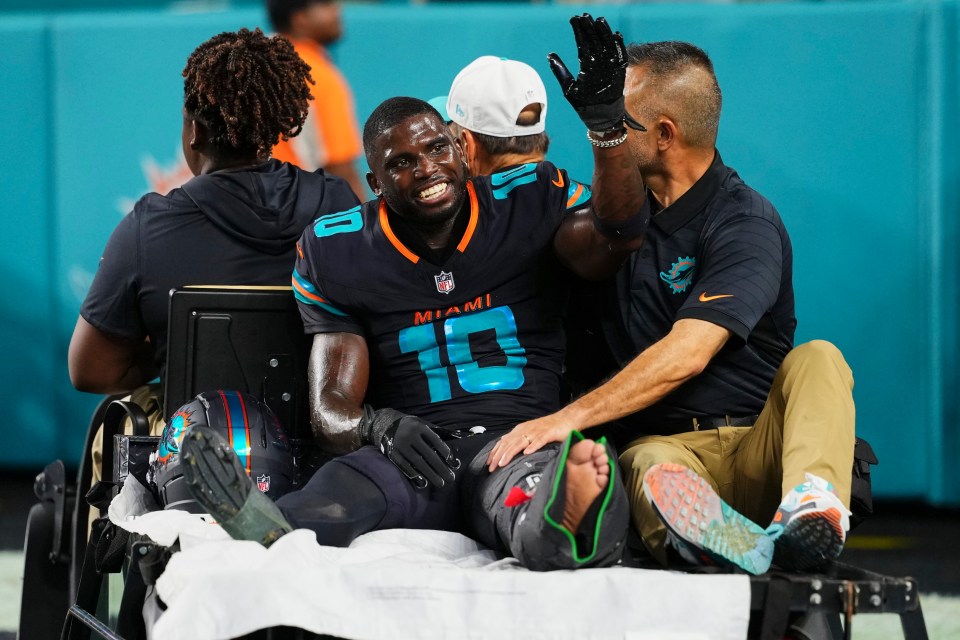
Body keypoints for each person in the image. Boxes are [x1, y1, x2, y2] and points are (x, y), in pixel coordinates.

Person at [179, 76, 652, 569]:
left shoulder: (526, 198)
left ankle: (565, 526)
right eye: (401, 163)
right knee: (337, 494)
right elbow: (329, 408)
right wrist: (378, 426)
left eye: (436, 148)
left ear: (461, 150)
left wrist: (607, 130)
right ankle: (267, 527)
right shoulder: (337, 249)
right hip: (414, 454)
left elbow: (618, 232)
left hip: (517, 441)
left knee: (530, 500)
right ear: (376, 184)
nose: (427, 169)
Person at [489, 17, 856, 575]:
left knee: (820, 359)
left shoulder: (745, 220)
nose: (606, 128)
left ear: (664, 135)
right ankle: (739, 547)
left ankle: (810, 514)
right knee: (646, 460)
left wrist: (566, 418)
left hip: (760, 448)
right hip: (664, 452)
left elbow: (689, 352)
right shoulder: (605, 222)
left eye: (617, 115)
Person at [68, 28, 360, 498]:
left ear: (195, 131)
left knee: (116, 426)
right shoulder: (340, 206)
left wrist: (173, 356)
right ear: (275, 128)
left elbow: (90, 370)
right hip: (321, 440)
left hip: (194, 451)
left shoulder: (147, 227)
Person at [266, 0, 366, 199]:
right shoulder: (316, 74)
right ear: (300, 18)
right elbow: (340, 167)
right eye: (326, 4)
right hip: (297, 204)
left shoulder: (253, 64)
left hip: (247, 201)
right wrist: (365, 214)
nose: (337, 10)